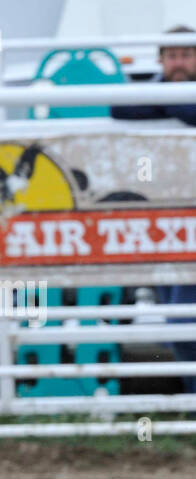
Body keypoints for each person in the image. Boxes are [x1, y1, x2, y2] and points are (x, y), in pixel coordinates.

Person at [110, 26, 196, 393]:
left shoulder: (152, 91)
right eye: (172, 55)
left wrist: (166, 100)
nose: (179, 62)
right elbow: (120, 108)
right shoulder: (146, 90)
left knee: (182, 319)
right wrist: (175, 101)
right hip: (166, 222)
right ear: (161, 60)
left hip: (181, 221)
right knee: (177, 322)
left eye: (186, 54)